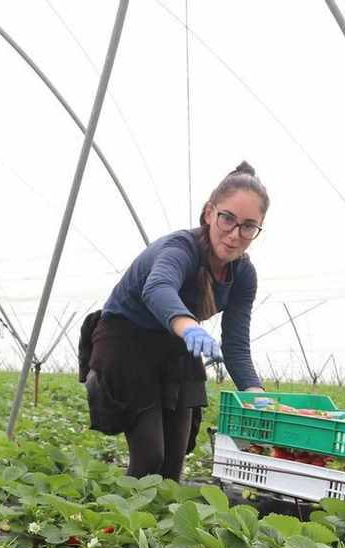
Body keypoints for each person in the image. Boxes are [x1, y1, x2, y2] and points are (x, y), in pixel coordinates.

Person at [81, 161, 268, 481]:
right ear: (210, 213)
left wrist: (253, 391)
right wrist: (189, 326)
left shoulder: (243, 274)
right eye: (228, 219)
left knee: (173, 461)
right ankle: (123, 522)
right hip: (126, 338)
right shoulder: (180, 248)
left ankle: (159, 528)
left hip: (175, 344)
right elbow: (158, 288)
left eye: (248, 226)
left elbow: (236, 344)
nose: (236, 234)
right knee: (151, 454)